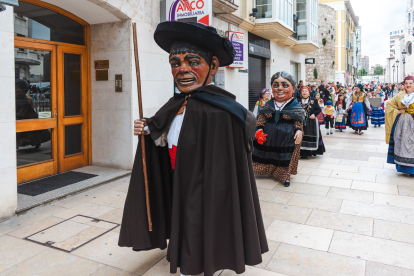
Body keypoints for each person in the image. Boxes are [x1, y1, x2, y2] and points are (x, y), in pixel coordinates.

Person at [118, 21, 268, 276]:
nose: (183, 70)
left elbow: (237, 141)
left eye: (192, 62)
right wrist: (147, 129)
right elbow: (164, 129)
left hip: (210, 184)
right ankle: (184, 253)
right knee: (184, 220)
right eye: (175, 63)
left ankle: (200, 261)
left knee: (202, 222)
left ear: (213, 67)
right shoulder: (175, 102)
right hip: (179, 176)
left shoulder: (223, 111)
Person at [252, 71, 305, 187]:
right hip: (269, 135)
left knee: (284, 156)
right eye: (276, 85)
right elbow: (261, 118)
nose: (279, 88)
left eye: (285, 85)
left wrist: (299, 130)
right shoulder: (268, 105)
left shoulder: (295, 107)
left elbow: (298, 121)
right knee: (265, 152)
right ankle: (265, 170)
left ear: (294, 87)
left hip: (286, 137)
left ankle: (284, 176)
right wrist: (259, 129)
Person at [386, 76, 414, 176]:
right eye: (406, 83)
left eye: (410, 83)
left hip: (412, 122)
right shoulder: (400, 95)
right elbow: (389, 104)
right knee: (401, 143)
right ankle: (403, 167)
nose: (408, 85)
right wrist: (397, 111)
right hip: (401, 123)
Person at [15, 79, 51, 149]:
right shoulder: (18, 99)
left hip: (26, 118)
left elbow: (23, 112)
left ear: (22, 90)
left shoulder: (24, 100)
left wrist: (17, 116)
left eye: (16, 88)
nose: (14, 90)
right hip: (24, 118)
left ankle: (35, 142)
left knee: (31, 134)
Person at [299, 86, 325, 158]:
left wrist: (314, 114)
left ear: (309, 92)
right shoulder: (298, 100)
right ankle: (301, 153)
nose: (304, 92)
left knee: (310, 135)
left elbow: (318, 110)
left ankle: (309, 152)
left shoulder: (313, 100)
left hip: (311, 121)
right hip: (300, 121)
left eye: (306, 91)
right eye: (303, 91)